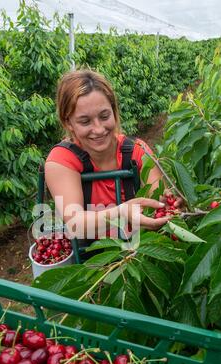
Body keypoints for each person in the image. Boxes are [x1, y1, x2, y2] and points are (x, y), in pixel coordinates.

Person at [45, 69, 181, 241]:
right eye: (85, 121)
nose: (99, 129)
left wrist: (172, 205)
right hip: (92, 260)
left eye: (104, 116)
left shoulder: (137, 151)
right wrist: (122, 213)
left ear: (114, 111)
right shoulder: (62, 160)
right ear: (68, 123)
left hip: (138, 253)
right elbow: (75, 223)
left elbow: (158, 199)